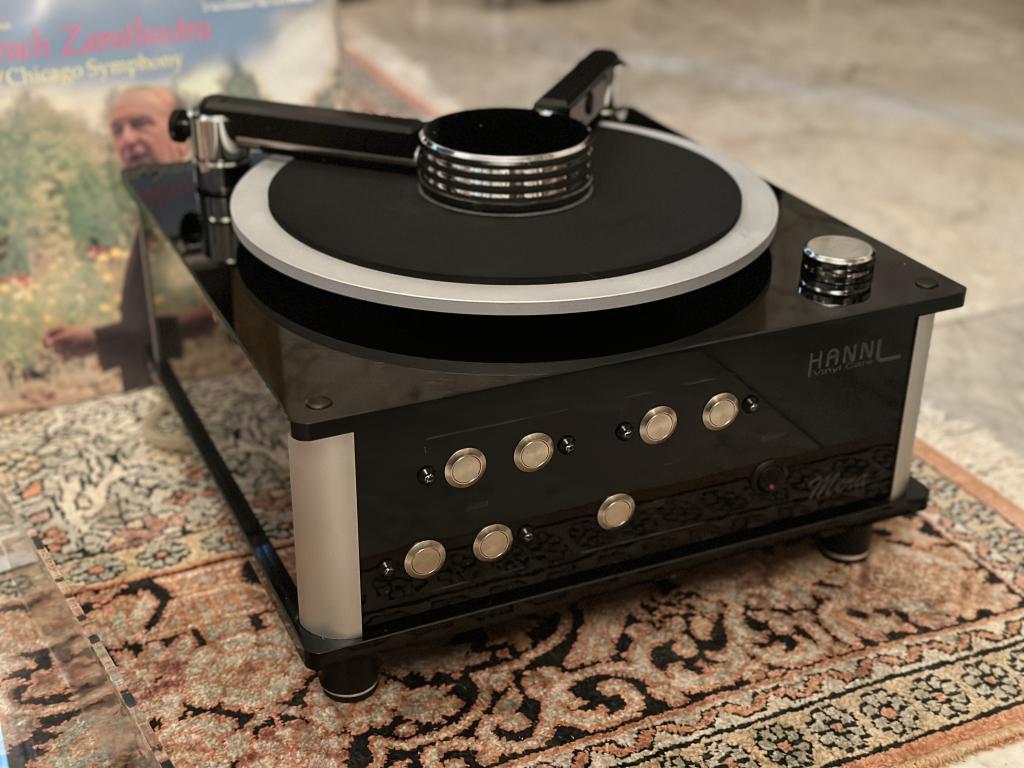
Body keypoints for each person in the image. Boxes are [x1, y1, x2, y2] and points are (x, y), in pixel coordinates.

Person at [43, 86, 192, 389]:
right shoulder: (155, 204)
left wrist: (96, 340)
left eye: (141, 124)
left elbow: (218, 319)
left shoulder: (201, 204)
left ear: (183, 135)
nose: (128, 140)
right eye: (117, 130)